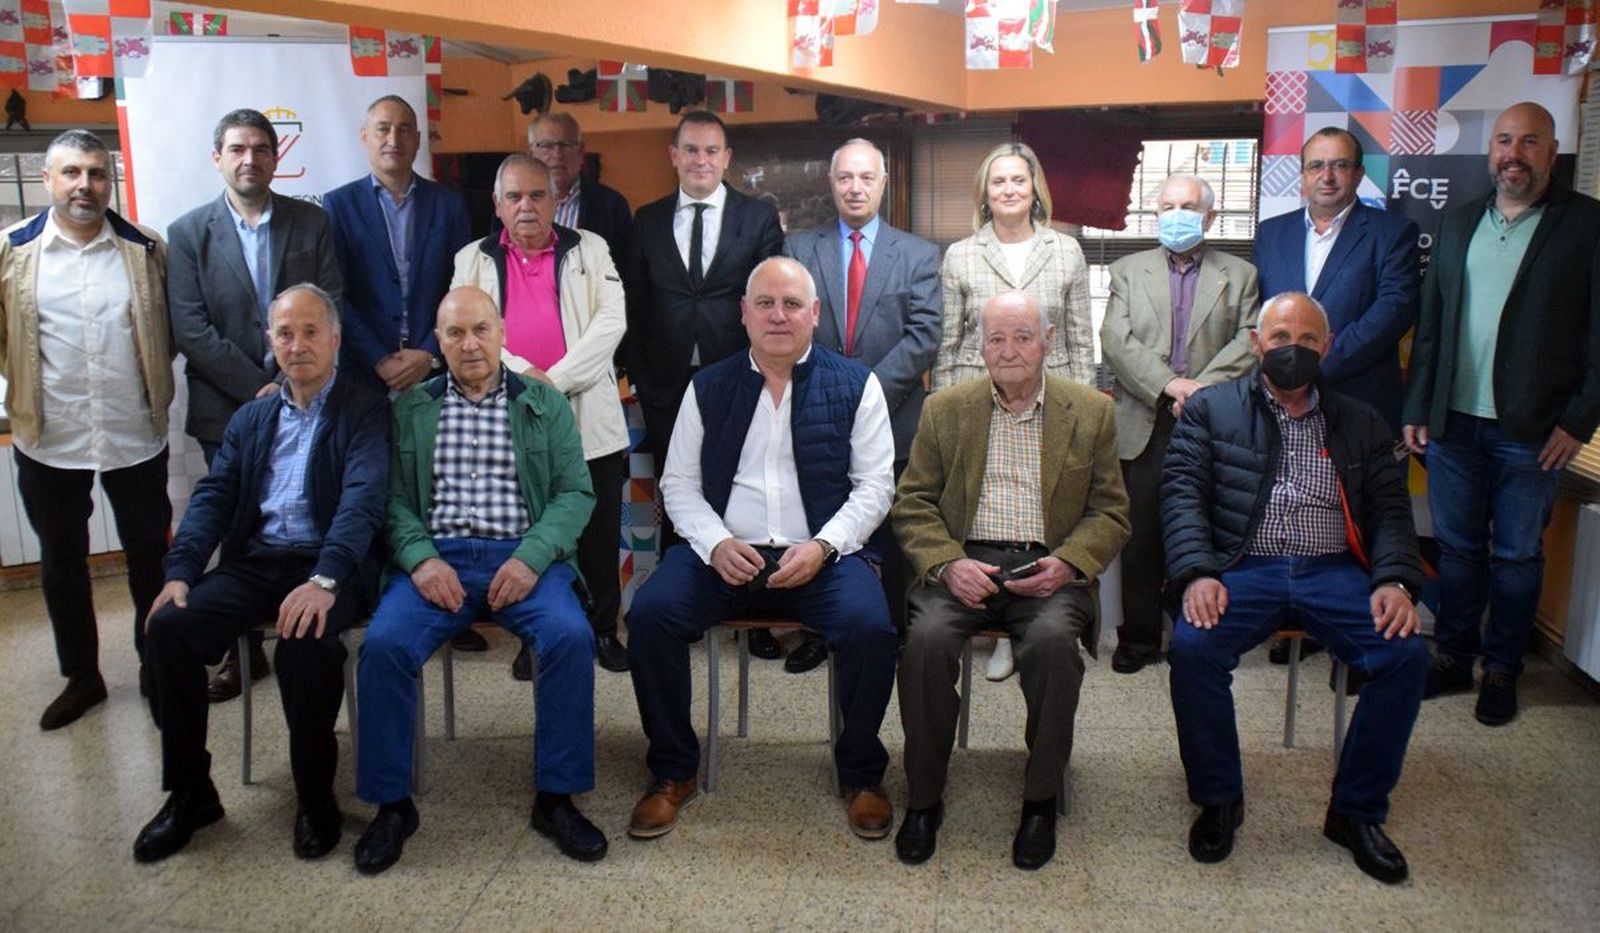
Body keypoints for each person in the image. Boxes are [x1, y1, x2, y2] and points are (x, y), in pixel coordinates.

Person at [624, 257, 898, 842]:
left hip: (822, 557)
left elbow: (876, 487)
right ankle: (673, 771)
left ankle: (862, 775)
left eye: (793, 304)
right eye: (766, 304)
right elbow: (678, 485)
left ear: (814, 315)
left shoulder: (857, 384)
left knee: (872, 626)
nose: (779, 315)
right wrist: (716, 541)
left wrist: (824, 546)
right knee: (649, 617)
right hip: (726, 554)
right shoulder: (709, 386)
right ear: (743, 313)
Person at [1162, 292, 1428, 884]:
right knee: (1192, 648)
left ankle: (1356, 812)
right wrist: (1198, 571)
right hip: (1242, 565)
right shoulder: (1212, 409)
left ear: (1327, 348)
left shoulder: (1362, 420)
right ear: (1257, 343)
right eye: (1280, 338)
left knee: (1405, 654)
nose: (1292, 350)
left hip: (1334, 569)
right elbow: (1181, 495)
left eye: (1308, 340)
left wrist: (1394, 581)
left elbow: (1389, 511)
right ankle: (1218, 798)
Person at [132, 284, 389, 863]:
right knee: (169, 628)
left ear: (336, 339)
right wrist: (181, 572)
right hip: (257, 562)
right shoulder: (251, 417)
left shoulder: (364, 406)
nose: (298, 345)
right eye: (285, 333)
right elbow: (214, 498)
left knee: (304, 644)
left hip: (331, 564)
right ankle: (191, 793)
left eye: (311, 332)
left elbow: (362, 500)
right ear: (270, 342)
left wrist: (324, 580)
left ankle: (316, 798)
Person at [352, 287, 604, 873]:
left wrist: (532, 557)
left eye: (481, 330)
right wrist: (419, 558)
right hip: (436, 559)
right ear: (437, 342)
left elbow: (574, 494)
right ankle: (392, 806)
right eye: (456, 333)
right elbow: (389, 501)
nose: (470, 344)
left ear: (502, 333)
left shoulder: (544, 403)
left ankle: (557, 797)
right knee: (384, 646)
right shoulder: (409, 409)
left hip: (522, 557)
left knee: (570, 638)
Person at [892, 290, 1129, 870]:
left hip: (1049, 566)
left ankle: (1040, 799)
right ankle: (923, 798)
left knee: (1051, 646)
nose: (1009, 349)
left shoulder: (1090, 411)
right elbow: (913, 502)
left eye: (1023, 336)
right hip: (962, 562)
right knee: (923, 645)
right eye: (996, 338)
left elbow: (1110, 511)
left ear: (1048, 339)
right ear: (980, 344)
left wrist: (1070, 563)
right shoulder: (945, 408)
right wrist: (949, 563)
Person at [1402, 101, 1600, 726]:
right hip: (1454, 423)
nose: (1513, 153)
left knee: (1515, 557)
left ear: (1553, 150)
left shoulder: (1586, 225)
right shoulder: (1459, 221)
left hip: (1535, 430)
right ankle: (1455, 658)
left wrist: (1578, 421)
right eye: (1503, 141)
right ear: (1491, 150)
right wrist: (1418, 404)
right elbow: (1431, 326)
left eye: (1529, 142)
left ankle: (1503, 669)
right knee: (1458, 550)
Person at [168, 107, 345, 700]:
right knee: (241, 528)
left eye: (261, 149)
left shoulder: (310, 222)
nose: (250, 159)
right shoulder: (189, 232)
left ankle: (312, 620)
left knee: (306, 510)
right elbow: (190, 327)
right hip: (230, 407)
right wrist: (258, 389)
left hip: (307, 389)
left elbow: (328, 301)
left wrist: (287, 373)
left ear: (276, 158)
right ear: (217, 157)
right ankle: (240, 655)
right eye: (237, 148)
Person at [0, 128, 173, 729]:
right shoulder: (12, 250)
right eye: (72, 172)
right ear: (48, 180)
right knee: (61, 561)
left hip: (135, 431)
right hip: (50, 437)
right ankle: (82, 677)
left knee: (149, 556)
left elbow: (166, 331)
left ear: (110, 182)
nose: (85, 185)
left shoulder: (146, 249)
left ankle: (158, 666)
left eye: (97, 174)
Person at [451, 154, 631, 674]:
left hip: (585, 417)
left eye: (537, 195)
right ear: (497, 204)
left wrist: (554, 382)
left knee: (597, 535)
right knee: (529, 533)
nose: (526, 206)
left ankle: (601, 632)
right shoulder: (471, 260)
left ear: (555, 201)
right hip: (509, 417)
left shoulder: (590, 248)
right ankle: (534, 637)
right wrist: (525, 376)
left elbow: (610, 322)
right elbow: (470, 332)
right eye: (514, 197)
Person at [1252, 126, 1420, 668]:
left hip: (1361, 402)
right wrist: (1289, 369)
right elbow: (1263, 315)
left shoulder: (1391, 232)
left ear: (1358, 173)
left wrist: (1317, 363)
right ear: (1300, 176)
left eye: (1340, 165)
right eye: (1316, 165)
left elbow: (1394, 310)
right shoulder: (1271, 233)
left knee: (1368, 514)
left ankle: (1361, 641)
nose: (1327, 176)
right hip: (1286, 406)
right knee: (1296, 507)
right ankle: (1300, 619)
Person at [932, 140, 1095, 682]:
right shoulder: (960, 254)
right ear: (985, 192)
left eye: (1018, 181)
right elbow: (950, 342)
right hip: (976, 400)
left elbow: (1078, 341)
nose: (1008, 190)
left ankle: (1021, 628)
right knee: (980, 506)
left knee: (1037, 510)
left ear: (1034, 189)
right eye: (998, 182)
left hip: (1050, 404)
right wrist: (947, 409)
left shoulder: (1066, 250)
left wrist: (1081, 414)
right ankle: (982, 609)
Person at [780, 137, 942, 671]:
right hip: (814, 413)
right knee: (818, 521)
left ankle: (892, 629)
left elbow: (923, 335)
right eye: (845, 177)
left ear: (883, 183)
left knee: (893, 532)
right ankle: (816, 630)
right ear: (831, 183)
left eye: (866, 177)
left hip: (895, 416)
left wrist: (864, 392)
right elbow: (788, 328)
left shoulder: (918, 254)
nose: (855, 187)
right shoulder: (799, 249)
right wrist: (834, 391)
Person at [1098, 174, 1259, 675]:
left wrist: (1200, 389)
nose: (1176, 214)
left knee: (1201, 527)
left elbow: (1250, 339)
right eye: (1167, 206)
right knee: (1140, 533)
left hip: (1210, 418)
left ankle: (1194, 630)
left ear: (1209, 217)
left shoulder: (1240, 273)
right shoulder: (1128, 270)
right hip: (1145, 416)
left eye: (1187, 206)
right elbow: (1115, 340)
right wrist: (1171, 386)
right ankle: (1139, 639)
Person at [623, 112, 784, 598]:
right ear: (673, 156)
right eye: (690, 149)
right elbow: (634, 302)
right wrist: (639, 376)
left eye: (711, 151)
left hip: (738, 377)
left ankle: (753, 601)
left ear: (726, 158)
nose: (701, 160)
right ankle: (686, 595)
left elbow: (769, 295)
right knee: (677, 489)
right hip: (665, 383)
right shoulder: (647, 219)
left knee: (743, 487)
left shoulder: (756, 216)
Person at [323, 94, 472, 395]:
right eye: (383, 128)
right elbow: (335, 294)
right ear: (364, 136)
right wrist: (378, 359)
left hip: (436, 371)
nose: (394, 138)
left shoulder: (448, 204)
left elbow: (462, 286)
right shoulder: (339, 204)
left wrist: (430, 352)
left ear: (417, 140)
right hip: (366, 374)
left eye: (404, 129)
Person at [528, 111, 633, 269]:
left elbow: (625, 273)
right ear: (531, 154)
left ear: (581, 152)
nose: (557, 154)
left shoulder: (612, 206)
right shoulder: (511, 205)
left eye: (566, 145)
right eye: (547, 145)